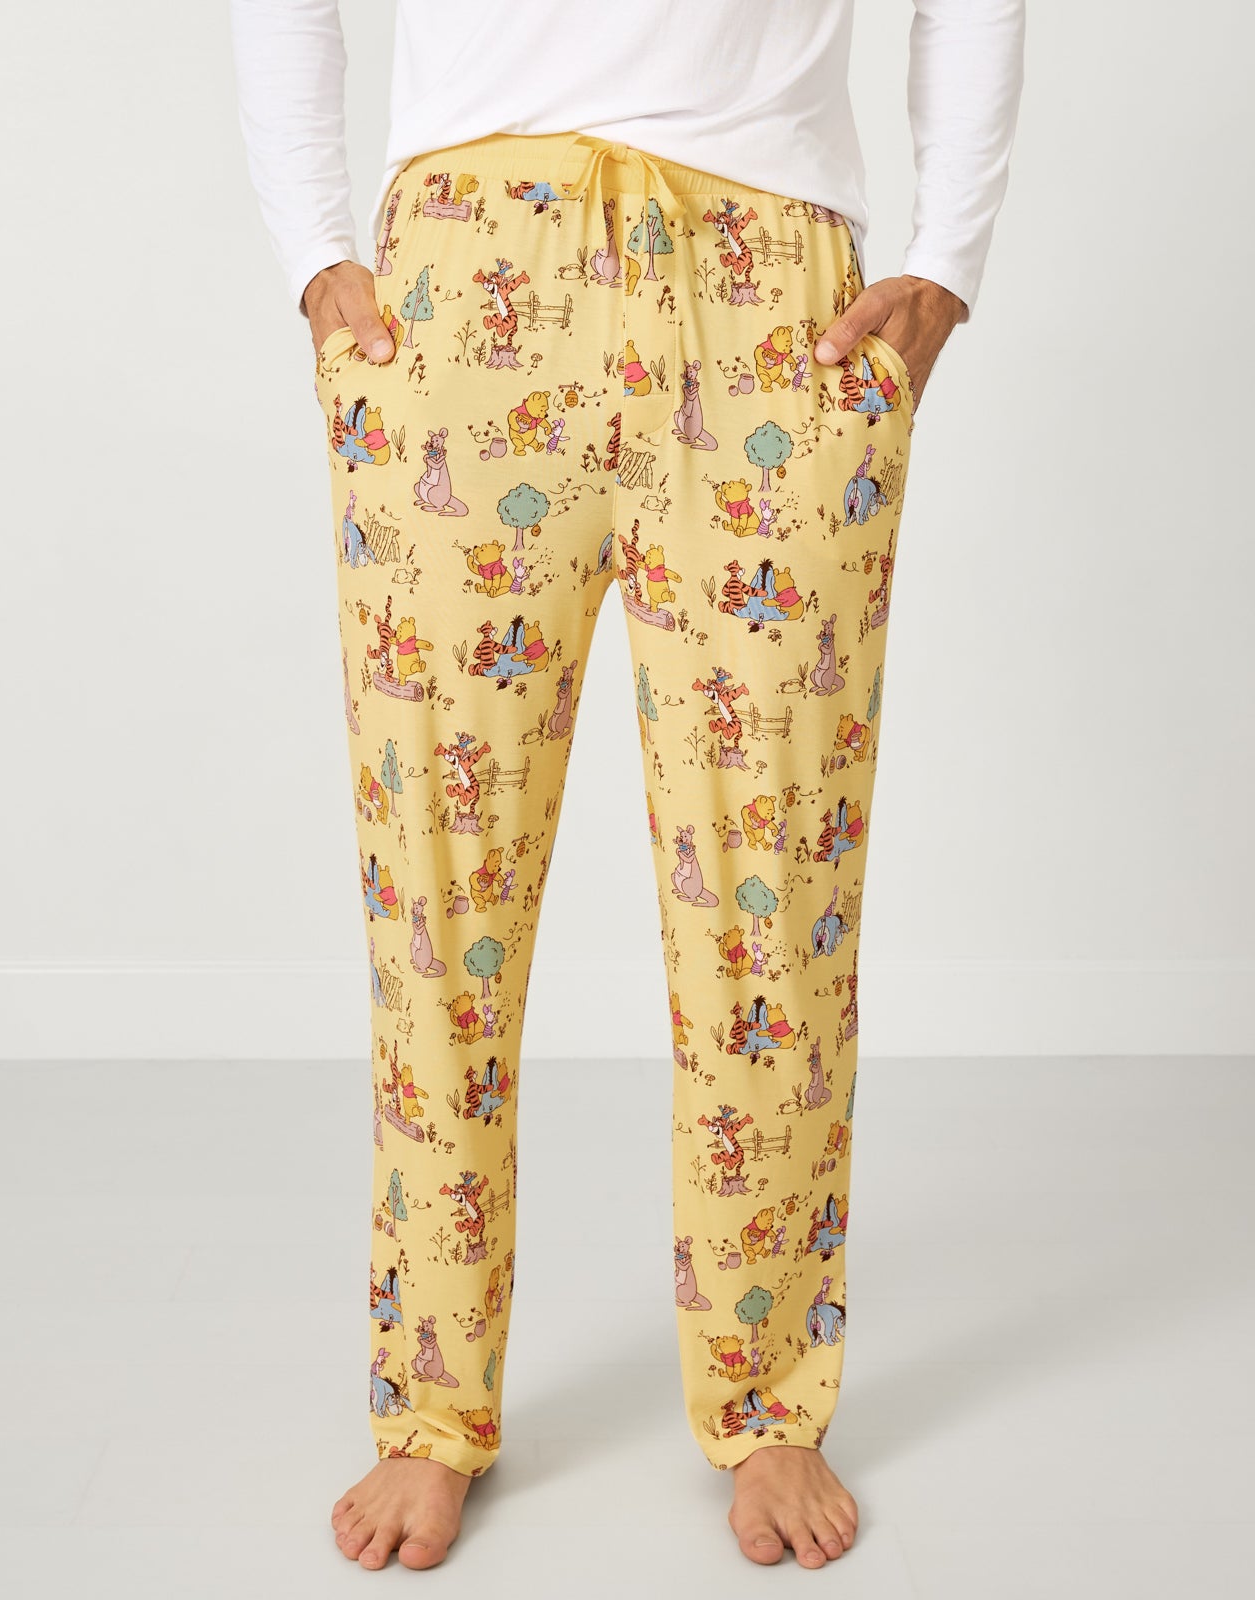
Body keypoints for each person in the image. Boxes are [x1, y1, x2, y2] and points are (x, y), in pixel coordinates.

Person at [230, 0, 1024, 1572]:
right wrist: (315, 249)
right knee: (438, 886)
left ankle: (771, 1395)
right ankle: (429, 1406)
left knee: (775, 884)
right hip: (468, 281)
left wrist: (950, 256)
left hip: (769, 292)